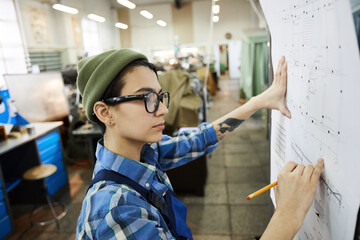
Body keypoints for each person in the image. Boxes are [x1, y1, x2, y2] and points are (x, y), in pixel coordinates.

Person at [75, 49, 324, 240]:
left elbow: (201, 138)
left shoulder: (144, 153)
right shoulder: (116, 211)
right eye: (147, 98)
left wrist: (259, 101)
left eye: (160, 96)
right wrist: (289, 215)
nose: (163, 109)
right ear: (105, 113)